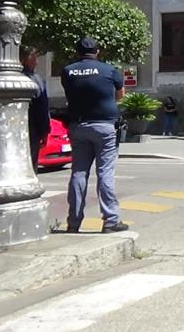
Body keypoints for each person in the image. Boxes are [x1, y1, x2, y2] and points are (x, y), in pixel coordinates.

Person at [61, 37, 128, 233]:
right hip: (105, 126)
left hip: (78, 126)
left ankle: (73, 222)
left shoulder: (68, 71)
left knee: (78, 173)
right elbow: (120, 94)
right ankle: (110, 221)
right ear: (98, 52)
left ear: (77, 52)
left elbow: (70, 92)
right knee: (105, 172)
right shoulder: (109, 70)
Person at [21, 45, 51, 172]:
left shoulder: (36, 78)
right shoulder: (30, 80)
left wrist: (45, 130)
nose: (37, 62)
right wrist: (44, 130)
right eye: (33, 57)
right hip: (29, 127)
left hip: (34, 128)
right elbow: (41, 106)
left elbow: (43, 107)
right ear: (24, 59)